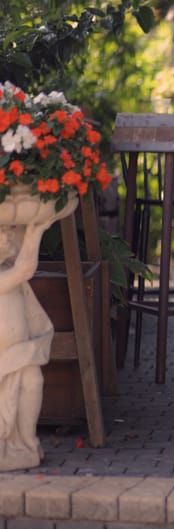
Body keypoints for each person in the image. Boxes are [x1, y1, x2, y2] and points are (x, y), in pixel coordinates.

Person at [0, 200, 75, 470]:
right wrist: (35, 232)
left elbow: (18, 267)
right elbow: (24, 270)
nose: (8, 240)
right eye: (3, 236)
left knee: (33, 381)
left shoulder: (7, 267)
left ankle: (25, 442)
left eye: (10, 236)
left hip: (18, 352)